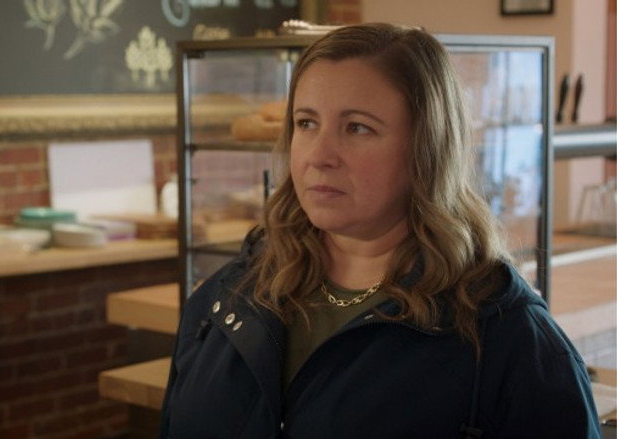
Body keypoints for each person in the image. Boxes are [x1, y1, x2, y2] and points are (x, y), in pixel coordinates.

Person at [160, 23, 600, 438]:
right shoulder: (228, 297)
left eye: (357, 128)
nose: (319, 155)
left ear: (427, 148)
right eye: (306, 123)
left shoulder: (509, 339)